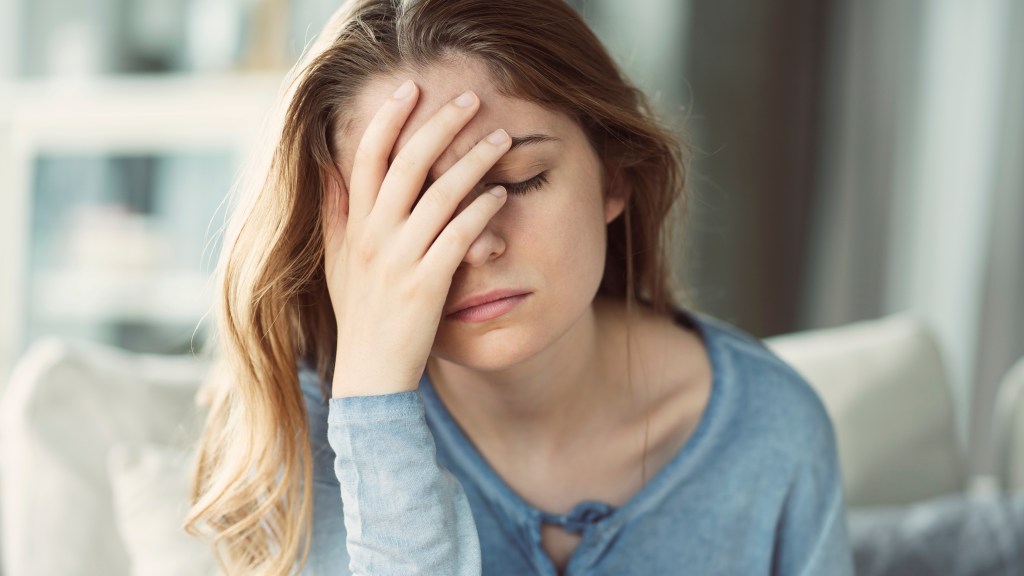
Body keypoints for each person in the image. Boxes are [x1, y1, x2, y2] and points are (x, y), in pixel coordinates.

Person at [185, 0, 855, 574]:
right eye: (417, 206)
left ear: (614, 177)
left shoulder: (772, 434)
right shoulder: (298, 433)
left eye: (521, 180)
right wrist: (374, 409)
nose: (477, 244)